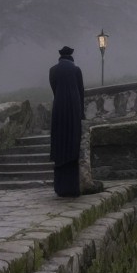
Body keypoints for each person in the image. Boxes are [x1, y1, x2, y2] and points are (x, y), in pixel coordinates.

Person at [49, 46, 85, 197]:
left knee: (59, 143)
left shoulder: (53, 70)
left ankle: (60, 186)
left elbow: (54, 89)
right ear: (71, 56)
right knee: (72, 144)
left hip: (58, 109)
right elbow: (81, 92)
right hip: (73, 110)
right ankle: (73, 186)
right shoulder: (76, 70)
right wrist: (81, 113)